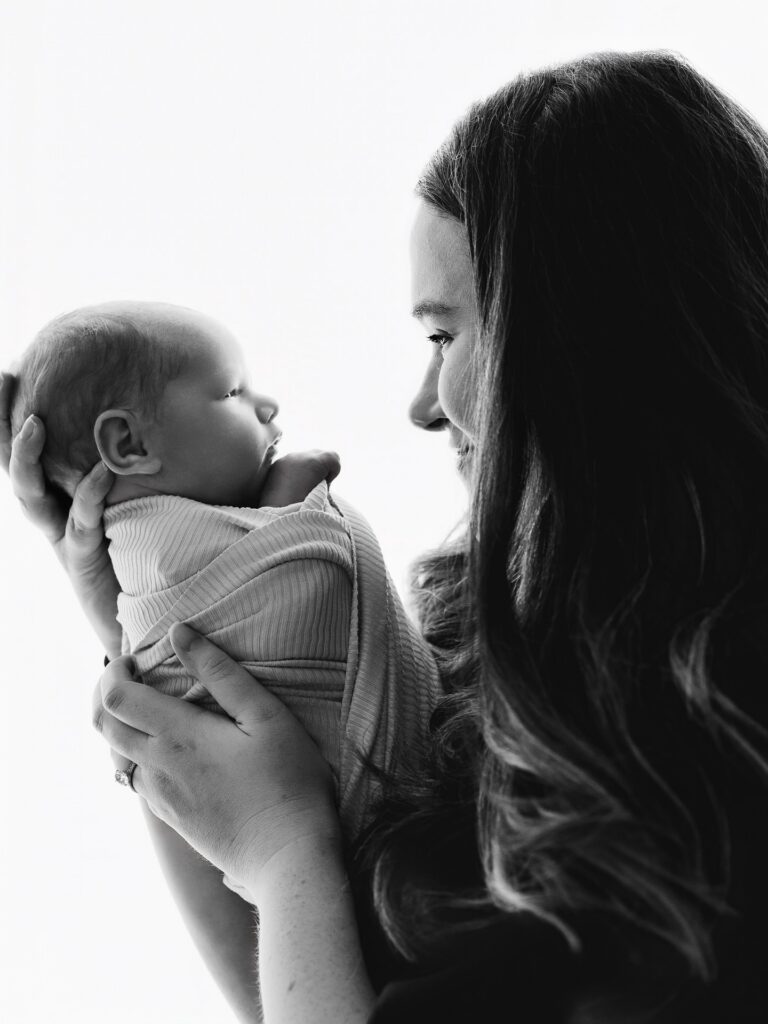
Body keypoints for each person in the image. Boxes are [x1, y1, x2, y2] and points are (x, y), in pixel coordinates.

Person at [4, 47, 768, 1023]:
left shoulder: (713, 765)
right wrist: (145, 615)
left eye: (442, 335)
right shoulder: (510, 662)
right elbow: (302, 984)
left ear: (581, 344)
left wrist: (286, 852)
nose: (419, 404)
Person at [9, 301, 440, 852]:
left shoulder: (141, 552)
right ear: (129, 445)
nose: (267, 405)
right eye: (234, 392)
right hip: (367, 830)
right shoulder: (156, 545)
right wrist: (293, 501)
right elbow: (292, 576)